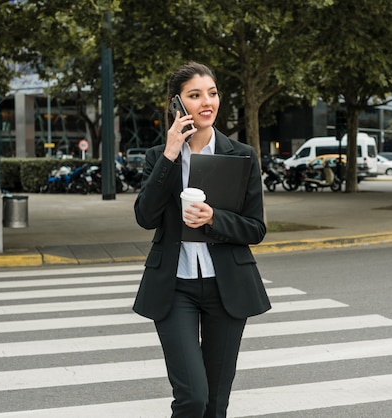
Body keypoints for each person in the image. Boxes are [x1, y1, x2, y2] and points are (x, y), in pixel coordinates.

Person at [133, 62, 270, 418]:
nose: (206, 102)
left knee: (214, 405)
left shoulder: (242, 155)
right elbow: (145, 217)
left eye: (212, 93)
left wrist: (215, 219)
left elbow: (255, 228)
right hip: (173, 288)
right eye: (195, 95)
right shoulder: (159, 157)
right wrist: (170, 154)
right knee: (192, 398)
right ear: (176, 105)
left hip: (227, 288)